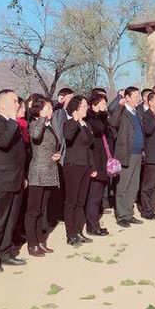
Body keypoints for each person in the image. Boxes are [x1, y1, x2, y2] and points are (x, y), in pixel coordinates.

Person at [0, 90, 27, 272]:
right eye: (14, 102)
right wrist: (13, 122)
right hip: (2, 180)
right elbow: (3, 142)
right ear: (2, 105)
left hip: (17, 178)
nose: (18, 105)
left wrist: (23, 176)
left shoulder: (13, 124)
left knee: (11, 220)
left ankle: (6, 252)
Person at [25, 96, 60, 256]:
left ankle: (40, 241)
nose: (51, 111)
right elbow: (35, 136)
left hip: (49, 171)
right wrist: (42, 118)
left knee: (41, 210)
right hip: (38, 172)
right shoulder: (35, 124)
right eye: (48, 108)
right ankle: (32, 243)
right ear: (39, 110)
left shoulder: (48, 126)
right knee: (33, 210)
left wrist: (56, 154)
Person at [62, 96, 97, 245]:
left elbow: (89, 146)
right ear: (76, 108)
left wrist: (93, 166)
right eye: (83, 106)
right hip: (73, 166)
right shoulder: (69, 123)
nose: (86, 108)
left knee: (81, 202)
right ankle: (70, 235)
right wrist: (76, 120)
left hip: (85, 166)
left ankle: (78, 232)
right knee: (71, 202)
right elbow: (68, 137)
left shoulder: (86, 124)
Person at [109, 87, 146, 228]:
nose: (139, 98)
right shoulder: (122, 112)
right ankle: (122, 216)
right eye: (136, 96)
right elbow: (113, 122)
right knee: (123, 185)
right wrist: (120, 103)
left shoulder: (137, 112)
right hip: (126, 154)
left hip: (138, 154)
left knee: (133, 186)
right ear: (128, 97)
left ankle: (129, 213)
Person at [84, 94, 111, 236]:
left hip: (103, 160)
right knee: (94, 196)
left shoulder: (100, 117)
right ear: (93, 105)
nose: (104, 107)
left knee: (98, 195)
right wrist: (102, 114)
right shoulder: (90, 118)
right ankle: (92, 226)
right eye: (101, 104)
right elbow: (98, 128)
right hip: (95, 161)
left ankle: (94, 223)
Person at [49, 87, 74, 227]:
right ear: (63, 98)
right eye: (70, 98)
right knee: (57, 187)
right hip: (59, 154)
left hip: (66, 153)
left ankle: (60, 213)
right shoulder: (58, 112)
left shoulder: (67, 113)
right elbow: (58, 134)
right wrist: (58, 152)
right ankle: (53, 216)